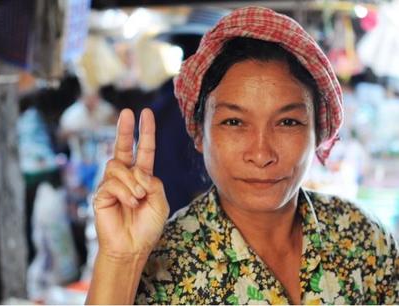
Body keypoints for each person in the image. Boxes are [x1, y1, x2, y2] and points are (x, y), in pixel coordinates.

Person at [86, 7, 399, 305]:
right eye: (234, 122)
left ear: (318, 132)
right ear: (198, 132)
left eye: (288, 122)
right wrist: (120, 260)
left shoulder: (363, 238)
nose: (261, 154)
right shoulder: (160, 265)